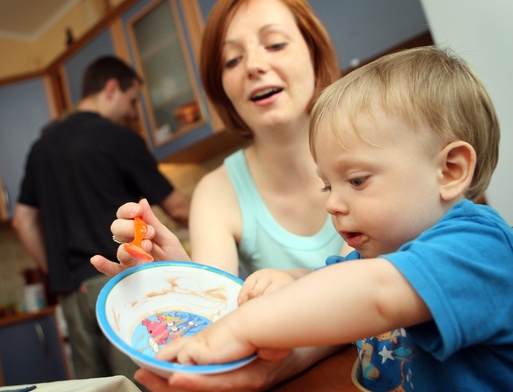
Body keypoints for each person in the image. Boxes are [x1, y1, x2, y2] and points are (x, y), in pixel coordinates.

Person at [155, 46, 513, 390]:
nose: (332, 204)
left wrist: (240, 328)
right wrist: (287, 281)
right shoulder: (377, 256)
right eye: (328, 186)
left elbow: (377, 293)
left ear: (450, 171)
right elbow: (329, 280)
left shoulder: (479, 249)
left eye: (356, 180)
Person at [92, 0, 351, 389]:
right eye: (232, 60)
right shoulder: (215, 191)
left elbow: (359, 285)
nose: (253, 66)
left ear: (314, 53)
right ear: (222, 88)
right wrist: (180, 287)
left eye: (275, 44)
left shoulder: (369, 145)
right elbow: (220, 319)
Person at [12, 56, 190, 385]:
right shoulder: (119, 138)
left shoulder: (41, 148)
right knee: (138, 383)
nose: (133, 113)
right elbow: (178, 208)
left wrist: (62, 273)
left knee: (93, 389)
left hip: (70, 296)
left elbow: (22, 221)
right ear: (111, 89)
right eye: (132, 100)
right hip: (117, 282)